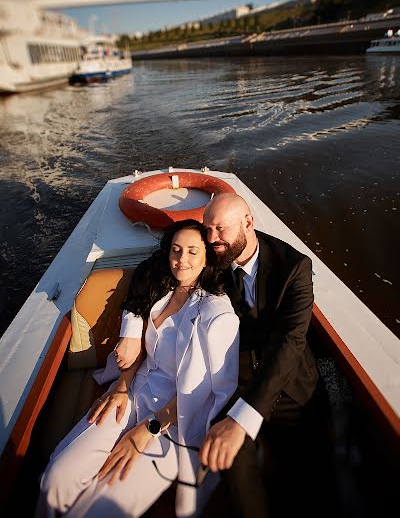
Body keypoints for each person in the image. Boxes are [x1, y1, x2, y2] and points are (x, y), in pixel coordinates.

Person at [116, 193, 337, 518]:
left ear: (248, 223)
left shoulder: (293, 267)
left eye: (220, 229)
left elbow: (290, 342)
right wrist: (131, 331)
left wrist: (243, 418)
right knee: (234, 465)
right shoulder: (212, 256)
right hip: (232, 385)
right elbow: (154, 271)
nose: (212, 238)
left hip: (290, 389)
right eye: (208, 229)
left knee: (316, 482)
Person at [36, 219, 239, 518]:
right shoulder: (162, 289)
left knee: (100, 509)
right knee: (57, 478)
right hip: (131, 396)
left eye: (193, 251)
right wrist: (122, 384)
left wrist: (149, 429)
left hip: (175, 424)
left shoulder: (218, 314)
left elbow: (208, 393)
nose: (182, 259)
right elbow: (143, 349)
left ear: (207, 256)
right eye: (176, 250)